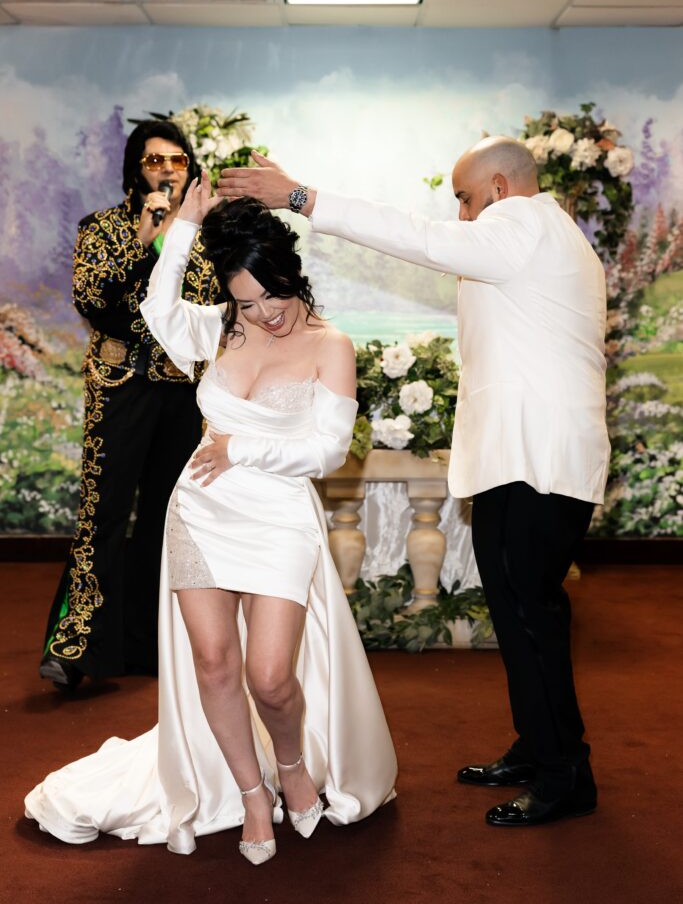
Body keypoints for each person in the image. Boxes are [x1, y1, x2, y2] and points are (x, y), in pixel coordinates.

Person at [216, 138, 611, 829]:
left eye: (463, 199)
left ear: (496, 186)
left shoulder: (521, 223)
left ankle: (564, 773)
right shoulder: (542, 238)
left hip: (536, 460)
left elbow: (422, 242)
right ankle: (540, 745)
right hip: (523, 458)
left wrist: (301, 199)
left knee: (530, 616)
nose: (459, 216)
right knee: (521, 614)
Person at [25, 174, 397, 863]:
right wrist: (184, 230)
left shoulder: (330, 345)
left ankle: (292, 768)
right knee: (212, 663)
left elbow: (328, 449)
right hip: (200, 511)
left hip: (279, 517)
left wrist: (241, 447)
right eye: (247, 302)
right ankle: (253, 796)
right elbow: (157, 309)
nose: (265, 315)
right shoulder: (219, 327)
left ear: (294, 278)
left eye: (274, 295)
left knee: (270, 677)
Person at [40, 120, 219, 690]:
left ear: (190, 170)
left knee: (172, 519)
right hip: (120, 389)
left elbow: (213, 311)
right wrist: (142, 242)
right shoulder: (104, 228)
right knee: (104, 514)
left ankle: (150, 642)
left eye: (177, 160)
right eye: (153, 161)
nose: (167, 169)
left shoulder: (208, 236)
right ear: (134, 170)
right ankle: (74, 645)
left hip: (186, 396)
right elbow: (93, 301)